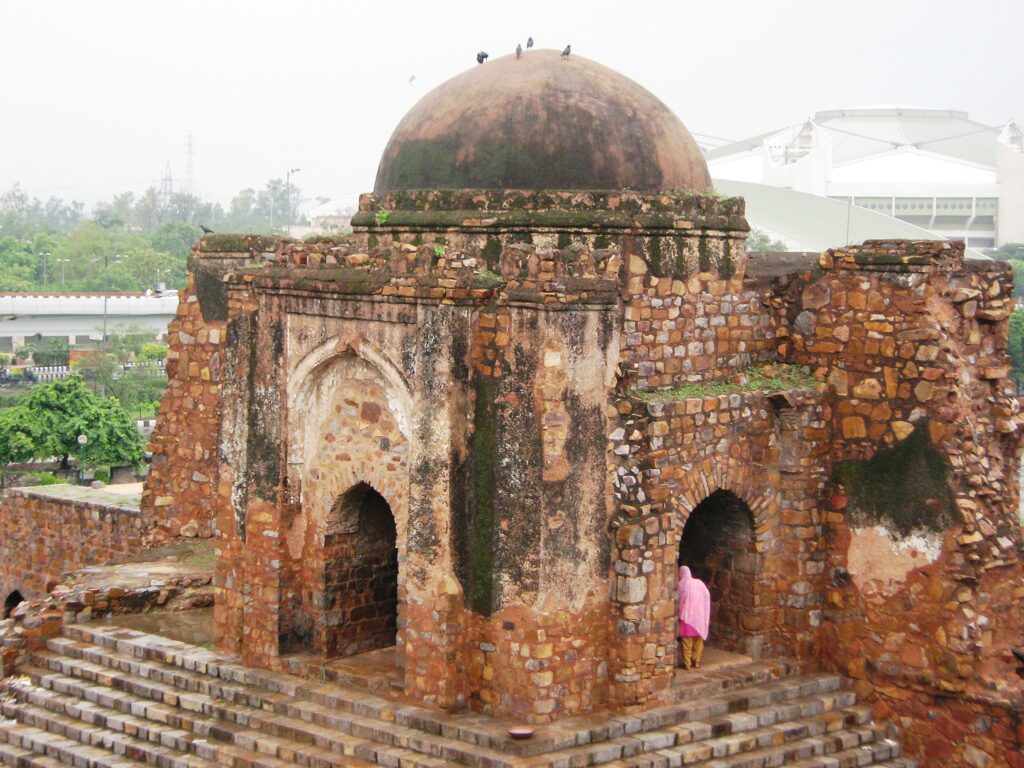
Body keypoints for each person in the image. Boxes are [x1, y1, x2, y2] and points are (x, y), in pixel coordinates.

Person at [677, 565, 711, 669]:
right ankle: (696, 662)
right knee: (699, 642)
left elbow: (679, 601)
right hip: (699, 617)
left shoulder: (681, 585)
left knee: (687, 642)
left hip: (687, 618)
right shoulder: (699, 583)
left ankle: (687, 664)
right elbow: (707, 596)